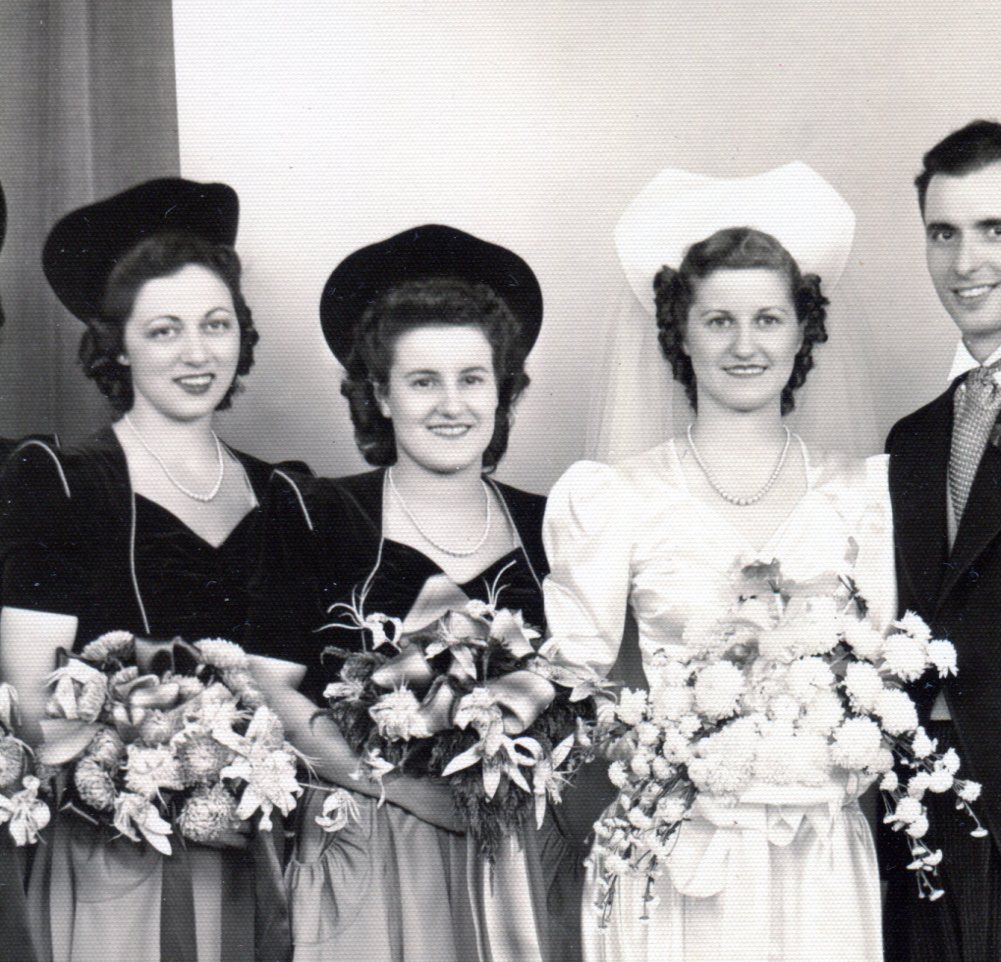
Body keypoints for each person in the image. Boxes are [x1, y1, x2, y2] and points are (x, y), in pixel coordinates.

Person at [543, 164, 895, 962]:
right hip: (679, 854)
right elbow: (573, 682)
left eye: (768, 319)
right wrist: (652, 747)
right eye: (718, 321)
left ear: (801, 331)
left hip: (818, 858)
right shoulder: (618, 497)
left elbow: (886, 674)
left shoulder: (860, 493)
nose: (745, 346)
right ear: (679, 332)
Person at [245, 224, 578, 961]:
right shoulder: (317, 509)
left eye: (472, 378)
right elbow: (268, 687)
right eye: (422, 381)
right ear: (380, 396)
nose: (450, 404)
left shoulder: (546, 522)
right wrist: (396, 788)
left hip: (510, 854)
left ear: (503, 392)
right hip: (366, 843)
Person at [0, 178, 302, 962]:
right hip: (119, 857)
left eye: (215, 324)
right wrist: (154, 767)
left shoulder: (285, 492)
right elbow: (35, 706)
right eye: (164, 330)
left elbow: (300, 689)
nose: (196, 353)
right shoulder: (62, 479)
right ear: (118, 345)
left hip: (267, 854)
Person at [882, 119, 1001, 962]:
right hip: (936, 824)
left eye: (995, 230)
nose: (966, 265)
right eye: (944, 233)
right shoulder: (913, 439)